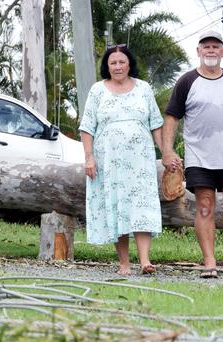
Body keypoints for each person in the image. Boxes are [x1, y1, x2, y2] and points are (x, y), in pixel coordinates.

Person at [162, 30, 223, 279]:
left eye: (216, 47)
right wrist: (168, 150)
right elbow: (172, 118)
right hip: (199, 157)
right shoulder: (187, 82)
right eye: (206, 47)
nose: (211, 50)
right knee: (205, 207)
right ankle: (209, 261)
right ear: (198, 51)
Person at [79, 44, 163, 276]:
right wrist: (89, 157)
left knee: (140, 206)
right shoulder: (97, 90)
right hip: (109, 161)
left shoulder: (144, 88)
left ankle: (145, 261)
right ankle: (124, 264)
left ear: (129, 64)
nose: (117, 67)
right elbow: (87, 127)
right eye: (113, 63)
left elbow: (156, 124)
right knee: (117, 207)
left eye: (121, 62)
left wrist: (166, 152)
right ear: (107, 67)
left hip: (141, 161)